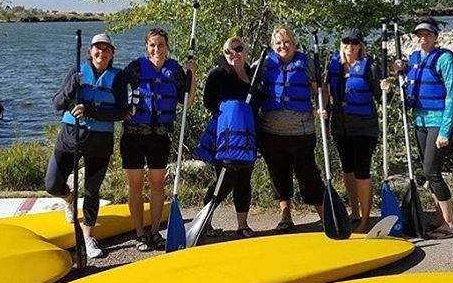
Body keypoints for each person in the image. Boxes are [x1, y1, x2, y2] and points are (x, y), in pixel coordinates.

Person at [45, 33, 128, 259]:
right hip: (71, 136)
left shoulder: (118, 77)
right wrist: (72, 86)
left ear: (112, 54)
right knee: (52, 184)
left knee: (92, 191)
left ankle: (88, 236)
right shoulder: (77, 72)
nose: (102, 53)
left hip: (100, 141)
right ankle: (69, 199)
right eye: (98, 49)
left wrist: (91, 112)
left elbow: (122, 111)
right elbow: (57, 103)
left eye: (107, 49)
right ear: (90, 51)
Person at [122, 28, 196, 251]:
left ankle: (154, 232)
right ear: (147, 47)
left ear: (167, 47)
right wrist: (122, 109)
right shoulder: (135, 68)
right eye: (152, 45)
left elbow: (189, 101)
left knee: (156, 184)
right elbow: (116, 87)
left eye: (161, 45)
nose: (157, 49)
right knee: (135, 185)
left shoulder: (175, 71)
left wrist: (193, 74)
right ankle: (139, 233)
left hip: (160, 137)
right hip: (133, 135)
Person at [395, 16, 453, 238]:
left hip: (438, 122)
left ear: (435, 37)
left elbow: (452, 96)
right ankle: (439, 217)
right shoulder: (414, 59)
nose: (423, 39)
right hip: (419, 122)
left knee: (432, 173)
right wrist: (400, 72)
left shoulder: (445, 59)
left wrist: (444, 131)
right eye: (420, 35)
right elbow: (409, 86)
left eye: (428, 35)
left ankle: (450, 225)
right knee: (427, 172)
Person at [324, 28, 391, 233]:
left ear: (360, 46)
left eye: (354, 43)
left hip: (364, 127)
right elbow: (325, 94)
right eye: (346, 42)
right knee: (347, 170)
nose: (350, 46)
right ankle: (354, 212)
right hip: (340, 126)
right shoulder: (333, 65)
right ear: (341, 43)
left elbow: (382, 98)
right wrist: (324, 121)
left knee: (362, 171)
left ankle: (365, 219)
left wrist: (388, 90)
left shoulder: (370, 67)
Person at [258, 27, 325, 231]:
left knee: (308, 175)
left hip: (301, 132)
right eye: (278, 43)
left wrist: (322, 107)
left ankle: (325, 215)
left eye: (287, 42)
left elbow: (319, 91)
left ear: (294, 44)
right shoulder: (264, 63)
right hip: (271, 132)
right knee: (279, 175)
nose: (283, 46)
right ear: (272, 46)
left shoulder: (307, 64)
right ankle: (285, 215)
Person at [198, 37, 259, 238]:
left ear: (246, 51)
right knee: (225, 180)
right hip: (225, 136)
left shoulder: (253, 75)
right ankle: (205, 222)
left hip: (247, 137)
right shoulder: (218, 75)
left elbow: (259, 102)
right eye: (229, 51)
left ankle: (243, 224)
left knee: (244, 180)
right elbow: (209, 101)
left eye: (238, 49)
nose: (234, 54)